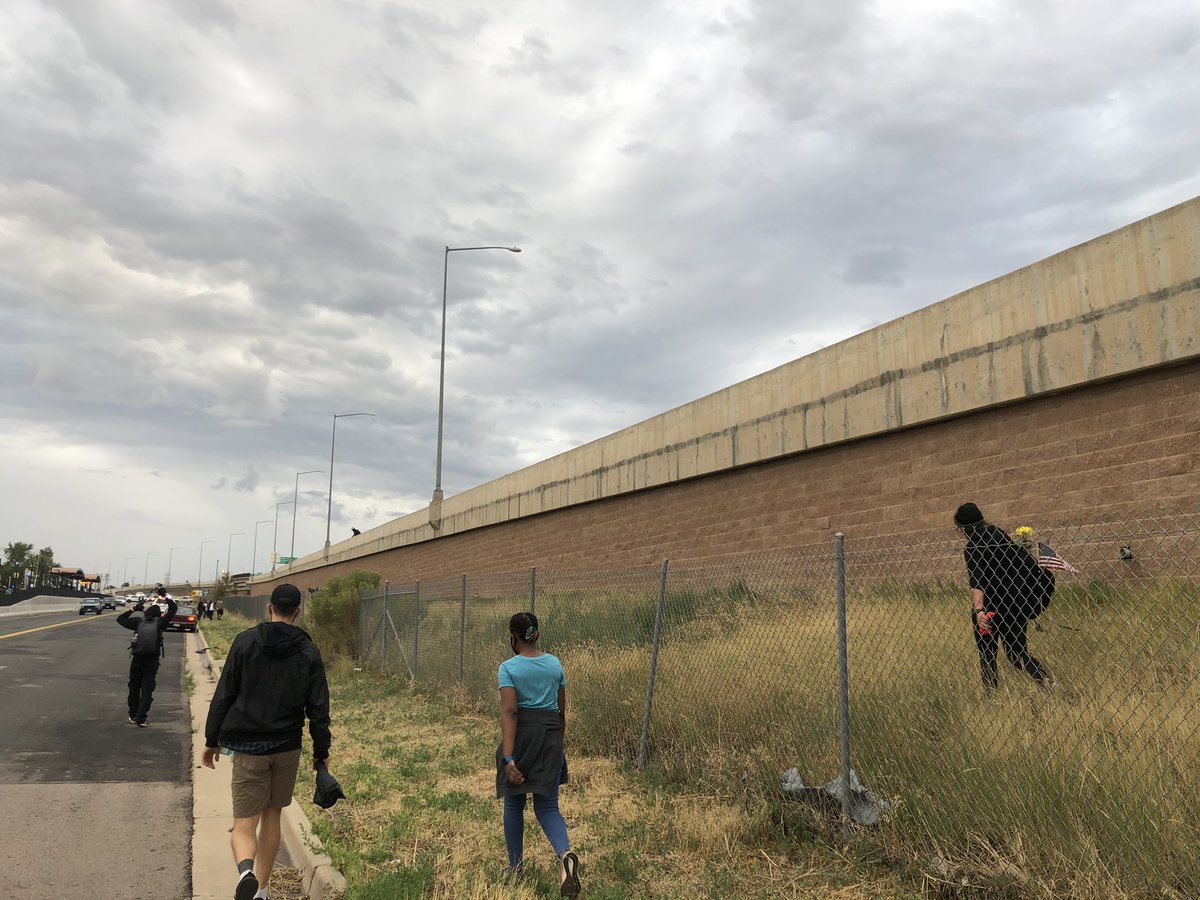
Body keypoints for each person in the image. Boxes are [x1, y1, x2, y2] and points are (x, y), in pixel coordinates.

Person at [201, 584, 332, 900]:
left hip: (249, 749)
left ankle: (245, 871)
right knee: (273, 815)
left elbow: (225, 693)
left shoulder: (246, 642)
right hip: (286, 746)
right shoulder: (308, 651)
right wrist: (321, 752)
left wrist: (211, 738)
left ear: (269, 607)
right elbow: (318, 707)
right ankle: (260, 890)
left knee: (244, 824)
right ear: (298, 612)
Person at [496, 611, 580, 897]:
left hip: (522, 737)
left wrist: (509, 757)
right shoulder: (554, 664)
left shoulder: (508, 668)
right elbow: (561, 709)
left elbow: (510, 711)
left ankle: (515, 866)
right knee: (547, 807)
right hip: (550, 737)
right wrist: (558, 743)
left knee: (513, 805)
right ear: (538, 634)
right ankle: (564, 855)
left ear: (513, 637)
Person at [954, 502, 1053, 690]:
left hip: (991, 611)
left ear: (965, 529)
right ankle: (1048, 684)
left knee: (987, 656)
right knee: (1018, 655)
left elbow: (978, 583)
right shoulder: (998, 534)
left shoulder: (973, 548)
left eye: (958, 529)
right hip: (1016, 605)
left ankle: (992, 696)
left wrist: (978, 611)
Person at [116, 584, 178, 726]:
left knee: (134, 687)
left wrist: (134, 608)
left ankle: (132, 715)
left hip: (137, 658)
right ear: (159, 615)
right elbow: (173, 608)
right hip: (152, 660)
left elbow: (120, 619)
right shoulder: (160, 622)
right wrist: (164, 595)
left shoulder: (138, 622)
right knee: (147, 688)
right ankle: (141, 718)